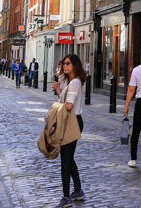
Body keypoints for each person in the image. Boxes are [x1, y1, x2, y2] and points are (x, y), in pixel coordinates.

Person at [51, 54, 87, 204]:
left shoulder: (75, 82)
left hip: (71, 121)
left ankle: (66, 197)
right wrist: (59, 91)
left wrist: (55, 110)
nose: (64, 66)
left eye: (67, 63)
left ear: (75, 65)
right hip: (72, 120)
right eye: (63, 64)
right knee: (68, 158)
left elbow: (69, 106)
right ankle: (78, 190)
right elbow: (66, 101)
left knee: (65, 161)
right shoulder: (72, 82)